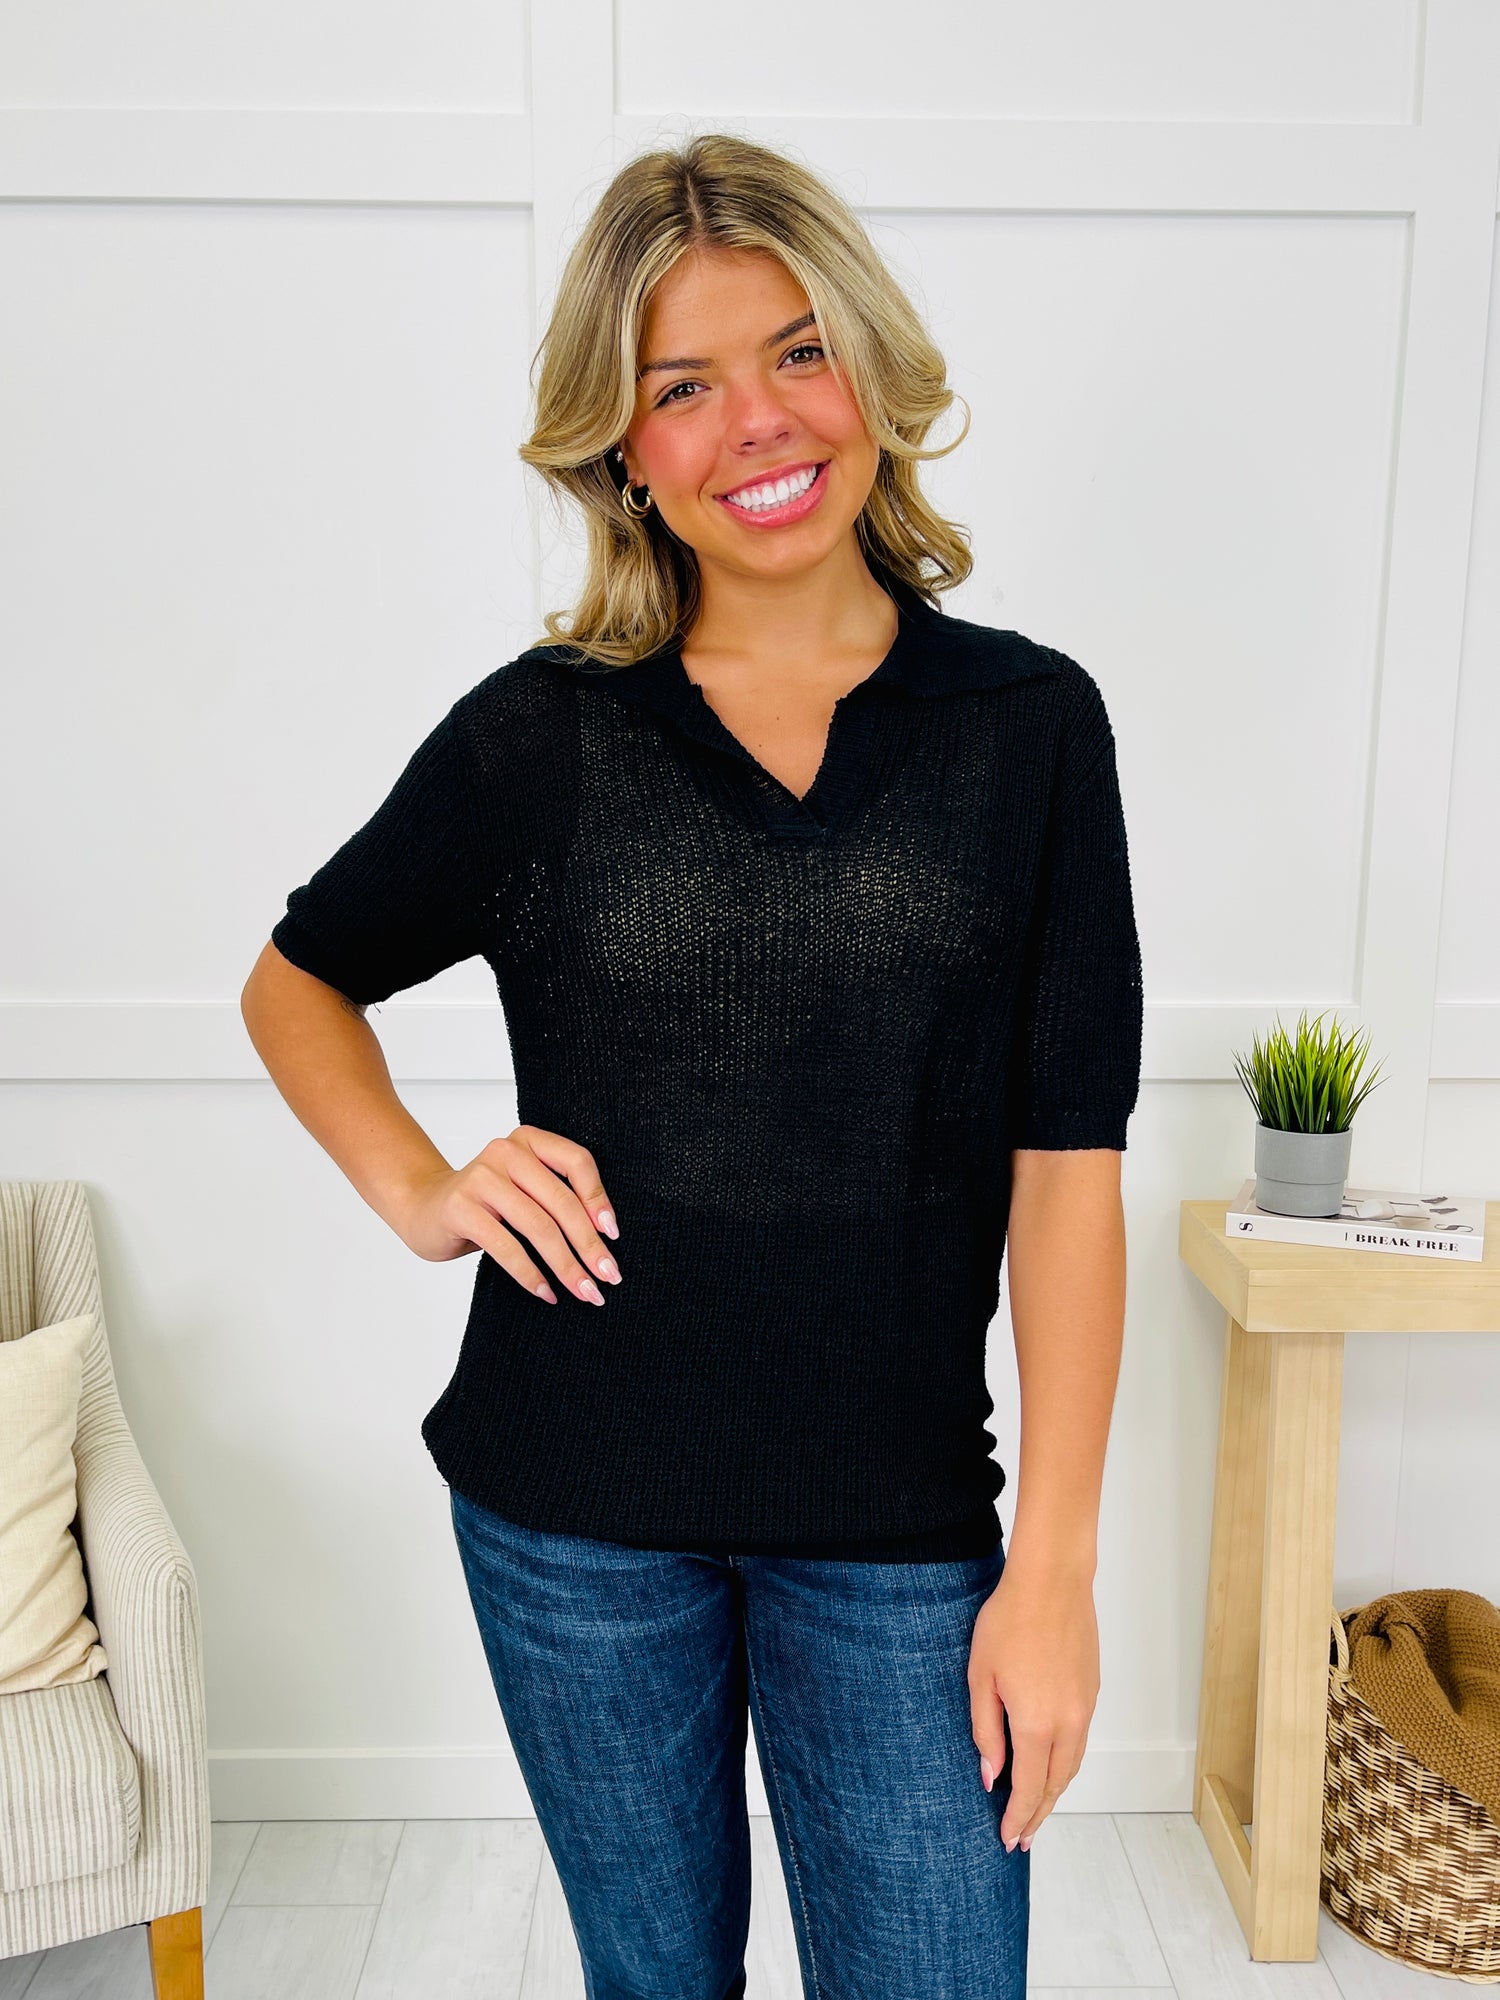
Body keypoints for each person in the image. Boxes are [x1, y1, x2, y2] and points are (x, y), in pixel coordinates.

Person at [242, 131, 1143, 2000]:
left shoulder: (1032, 729)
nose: (759, 421)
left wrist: (1050, 1570)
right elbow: (298, 981)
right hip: (570, 1513)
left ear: (872, 368)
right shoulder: (540, 738)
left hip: (898, 1522)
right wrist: (425, 1187)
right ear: (623, 452)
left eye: (800, 351)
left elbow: (1067, 1167)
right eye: (683, 386)